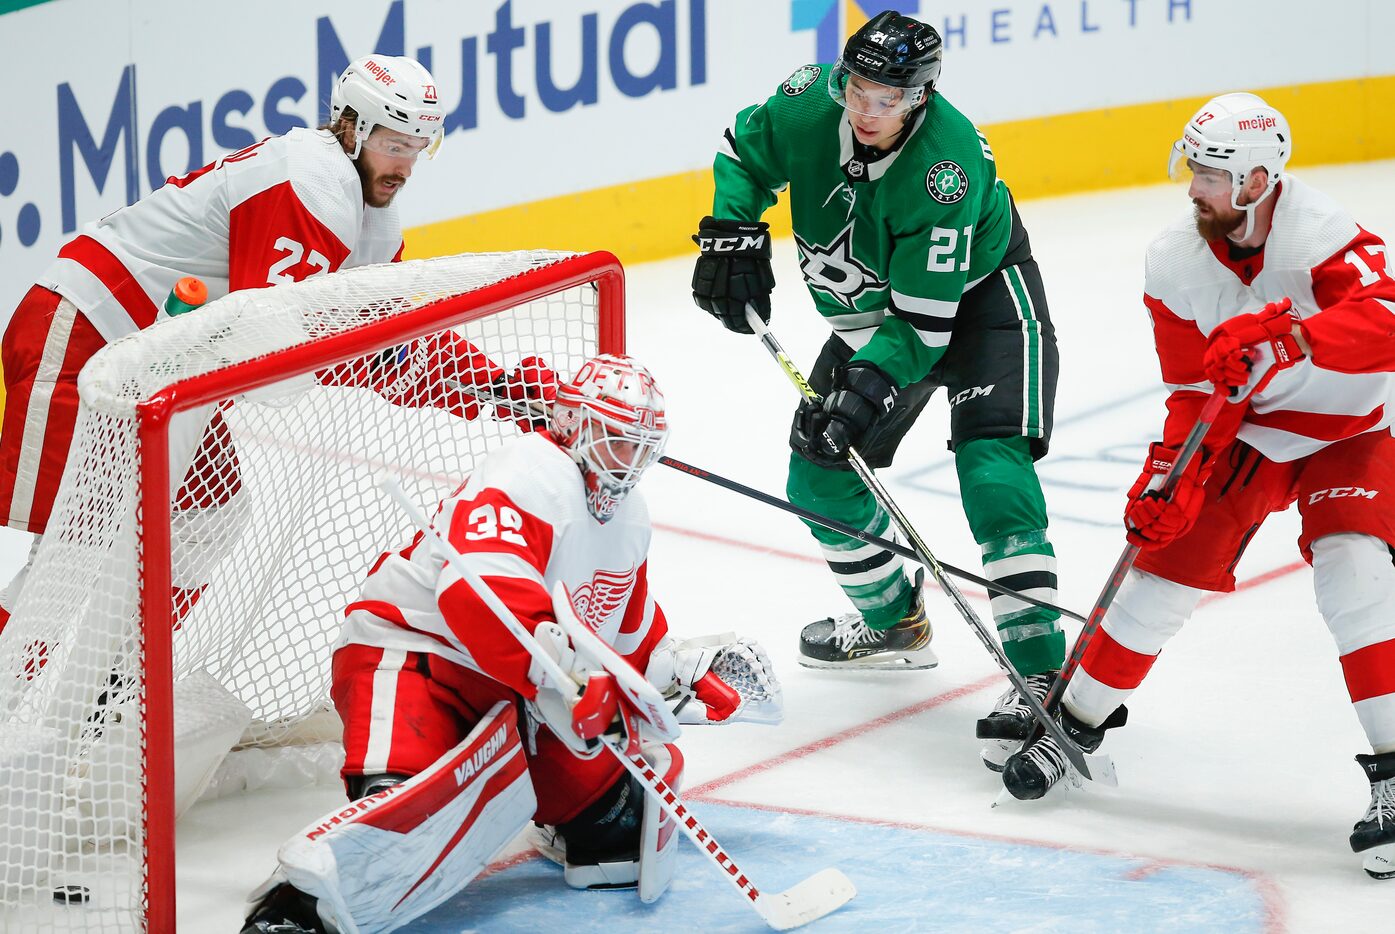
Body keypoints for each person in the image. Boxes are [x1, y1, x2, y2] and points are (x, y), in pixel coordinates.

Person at [242, 354, 782, 933]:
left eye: (638, 445)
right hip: (419, 656)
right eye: (613, 439)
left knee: (616, 828)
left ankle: (544, 806)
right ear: (572, 422)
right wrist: (568, 680)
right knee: (409, 824)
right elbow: (478, 597)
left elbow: (622, 631)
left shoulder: (630, 519)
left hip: (520, 685)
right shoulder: (529, 469)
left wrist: (676, 675)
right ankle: (293, 913)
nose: (626, 460)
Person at [0, 55, 540, 634]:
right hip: (92, 337)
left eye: (419, 146)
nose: (404, 166)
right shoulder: (310, 181)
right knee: (76, 548)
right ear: (352, 126)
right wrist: (363, 348)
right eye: (393, 143)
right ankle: (16, 696)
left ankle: (121, 684)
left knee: (207, 517)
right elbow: (275, 363)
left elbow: (387, 347)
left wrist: (503, 390)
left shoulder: (371, 219)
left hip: (162, 372)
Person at [1001, 92, 1395, 878]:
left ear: (1256, 180)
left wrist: (1292, 337)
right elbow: (1190, 391)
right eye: (1193, 170)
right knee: (1159, 572)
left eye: (1210, 175)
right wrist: (1167, 477)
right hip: (1249, 435)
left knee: (1355, 572)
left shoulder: (1319, 233)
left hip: (1351, 431)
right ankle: (1071, 722)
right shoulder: (1172, 259)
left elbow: (1387, 311)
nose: (1193, 189)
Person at [691, 10, 1065, 767]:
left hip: (984, 304)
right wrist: (732, 230)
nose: (865, 110)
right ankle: (895, 622)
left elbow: (924, 329)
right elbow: (743, 149)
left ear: (919, 98)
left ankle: (1041, 672)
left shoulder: (946, 165)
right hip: (876, 317)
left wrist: (863, 390)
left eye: (885, 99)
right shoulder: (807, 103)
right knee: (817, 476)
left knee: (992, 471)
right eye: (856, 89)